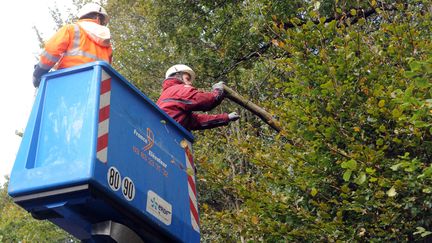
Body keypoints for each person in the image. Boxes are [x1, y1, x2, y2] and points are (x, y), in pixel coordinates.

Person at [32, 2, 113, 88]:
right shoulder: (107, 45)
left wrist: (38, 73)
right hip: (96, 87)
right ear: (97, 18)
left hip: (69, 81)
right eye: (103, 21)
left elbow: (51, 52)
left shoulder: (71, 29)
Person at [157, 64, 240, 131]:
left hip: (167, 134)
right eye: (187, 79)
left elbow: (196, 121)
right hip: (171, 133)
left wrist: (226, 117)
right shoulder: (178, 90)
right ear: (178, 76)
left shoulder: (166, 96)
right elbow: (207, 101)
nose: (190, 83)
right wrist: (218, 90)